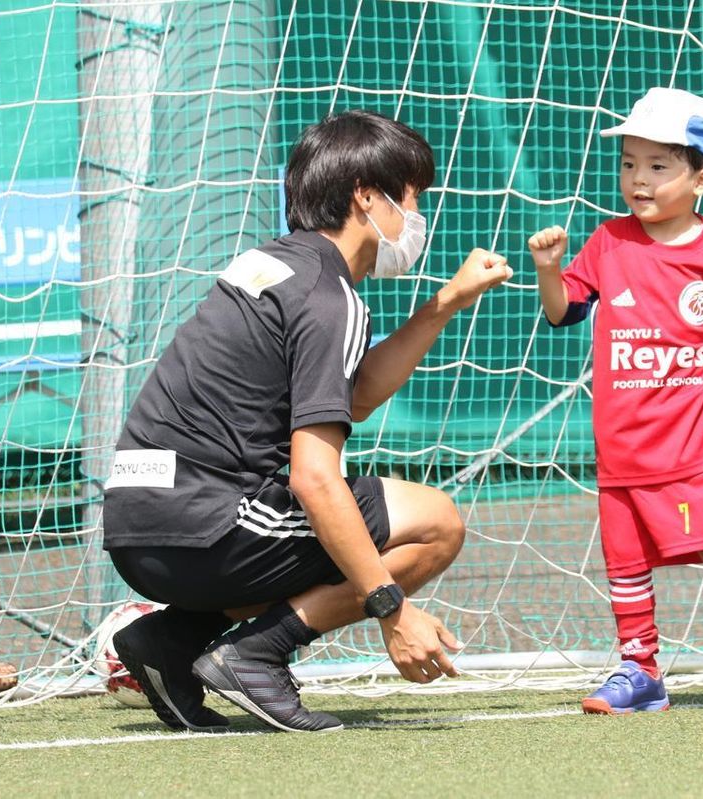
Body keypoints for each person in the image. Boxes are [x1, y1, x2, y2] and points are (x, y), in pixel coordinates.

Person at [103, 110, 512, 733]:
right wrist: (391, 609)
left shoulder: (272, 266)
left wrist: (445, 304)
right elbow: (314, 480)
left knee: (330, 539)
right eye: (413, 199)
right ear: (367, 198)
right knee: (435, 524)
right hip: (205, 526)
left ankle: (168, 641)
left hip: (140, 525)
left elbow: (352, 400)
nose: (417, 220)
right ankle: (255, 656)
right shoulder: (329, 300)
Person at [527, 88, 703, 714]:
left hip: (689, 440)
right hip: (619, 445)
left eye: (657, 166)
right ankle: (640, 671)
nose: (638, 180)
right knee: (624, 563)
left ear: (702, 177)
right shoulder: (608, 241)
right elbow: (562, 310)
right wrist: (549, 267)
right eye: (628, 164)